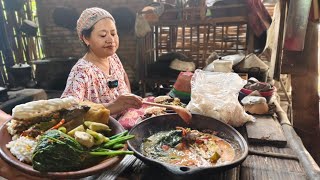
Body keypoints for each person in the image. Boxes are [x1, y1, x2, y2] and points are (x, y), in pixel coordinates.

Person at [61, 7, 142, 115]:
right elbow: (68, 109)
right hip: (107, 129)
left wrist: (128, 97)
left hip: (126, 120)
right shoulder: (81, 71)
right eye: (103, 35)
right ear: (86, 38)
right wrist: (113, 106)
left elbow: (123, 77)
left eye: (113, 33)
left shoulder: (113, 57)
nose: (111, 40)